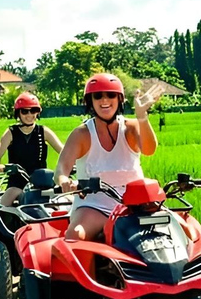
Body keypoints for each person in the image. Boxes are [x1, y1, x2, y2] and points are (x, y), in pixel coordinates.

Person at [55, 73, 163, 240]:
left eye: (111, 95)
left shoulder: (131, 127)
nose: (104, 101)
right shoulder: (82, 134)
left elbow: (149, 149)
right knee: (75, 234)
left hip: (136, 204)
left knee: (183, 227)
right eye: (98, 96)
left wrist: (142, 116)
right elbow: (61, 169)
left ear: (119, 99)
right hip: (94, 205)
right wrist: (65, 182)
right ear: (90, 101)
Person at [0, 92, 64, 206]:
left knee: (65, 201)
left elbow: (64, 151)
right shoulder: (11, 132)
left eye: (33, 110)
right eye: (24, 111)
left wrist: (74, 163)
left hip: (41, 180)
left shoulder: (43, 131)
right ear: (18, 113)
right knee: (3, 206)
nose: (29, 114)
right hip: (17, 181)